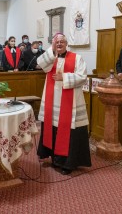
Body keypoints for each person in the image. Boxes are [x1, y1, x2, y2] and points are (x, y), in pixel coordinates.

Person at [36, 33, 91, 175]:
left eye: (62, 42)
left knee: (69, 131)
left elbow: (82, 77)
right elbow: (40, 63)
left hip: (70, 103)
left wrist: (64, 77)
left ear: (67, 43)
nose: (59, 44)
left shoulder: (77, 58)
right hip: (52, 101)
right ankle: (55, 159)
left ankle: (68, 163)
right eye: (56, 42)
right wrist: (52, 49)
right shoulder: (50, 58)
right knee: (52, 129)